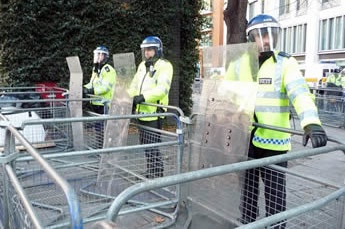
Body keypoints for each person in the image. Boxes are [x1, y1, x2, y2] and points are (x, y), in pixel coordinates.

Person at [224, 14, 328, 228]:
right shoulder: (239, 63)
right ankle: (247, 221)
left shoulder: (285, 63)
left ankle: (276, 225)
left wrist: (311, 122)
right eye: (261, 35)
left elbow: (300, 93)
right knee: (247, 187)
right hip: (245, 138)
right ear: (251, 38)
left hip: (274, 141)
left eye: (272, 34)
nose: (267, 40)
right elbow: (225, 92)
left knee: (275, 192)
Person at [128, 36, 173, 179]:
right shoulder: (142, 65)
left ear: (157, 50)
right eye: (145, 50)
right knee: (146, 144)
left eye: (150, 49)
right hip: (142, 112)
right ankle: (151, 171)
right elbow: (134, 85)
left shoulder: (164, 65)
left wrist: (143, 97)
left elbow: (162, 89)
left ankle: (157, 173)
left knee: (153, 145)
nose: (147, 53)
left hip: (154, 112)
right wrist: (129, 98)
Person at [83, 45, 117, 148]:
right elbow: (92, 83)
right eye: (96, 55)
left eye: (99, 55)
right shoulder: (96, 69)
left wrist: (91, 90)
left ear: (105, 56)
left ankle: (106, 147)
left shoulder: (108, 69)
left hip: (105, 104)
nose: (97, 57)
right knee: (98, 126)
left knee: (104, 127)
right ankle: (100, 145)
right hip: (97, 103)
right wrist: (84, 88)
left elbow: (106, 87)